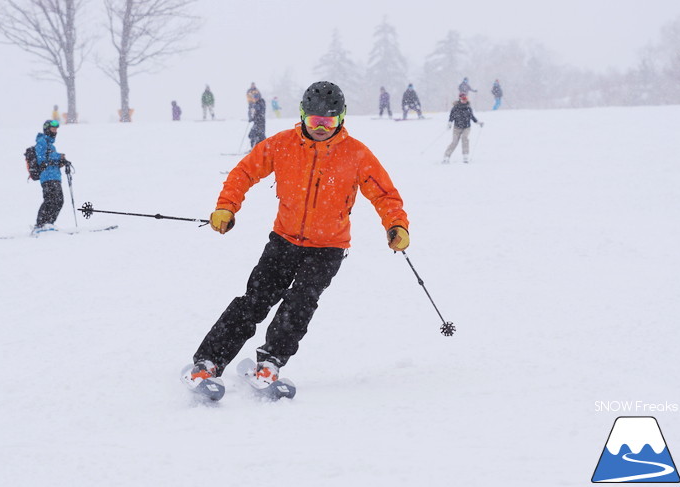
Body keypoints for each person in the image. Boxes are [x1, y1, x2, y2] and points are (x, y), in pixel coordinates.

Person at [188, 81, 410, 390]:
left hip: (328, 246)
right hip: (284, 240)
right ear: (303, 116)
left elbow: (385, 195)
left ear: (342, 118)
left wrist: (396, 224)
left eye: (328, 121)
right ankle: (209, 361)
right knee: (255, 300)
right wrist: (226, 206)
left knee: (300, 303)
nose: (321, 128)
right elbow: (243, 172)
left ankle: (269, 363)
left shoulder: (356, 154)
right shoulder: (282, 144)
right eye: (314, 120)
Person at [33, 120, 68, 233]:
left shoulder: (51, 145)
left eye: (56, 129)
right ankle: (40, 225)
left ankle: (48, 224)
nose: (55, 131)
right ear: (47, 129)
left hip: (55, 176)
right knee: (50, 200)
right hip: (47, 177)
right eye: (53, 129)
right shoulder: (41, 142)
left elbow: (50, 160)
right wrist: (59, 157)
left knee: (59, 201)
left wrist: (62, 162)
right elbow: (41, 160)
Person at [443, 93, 483, 164]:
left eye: (465, 99)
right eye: (463, 99)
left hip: (466, 127)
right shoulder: (455, 108)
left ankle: (465, 155)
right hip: (457, 127)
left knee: (465, 138)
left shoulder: (468, 108)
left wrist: (478, 122)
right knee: (454, 142)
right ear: (460, 99)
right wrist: (449, 123)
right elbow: (451, 116)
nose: (464, 101)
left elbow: (472, 117)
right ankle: (447, 156)